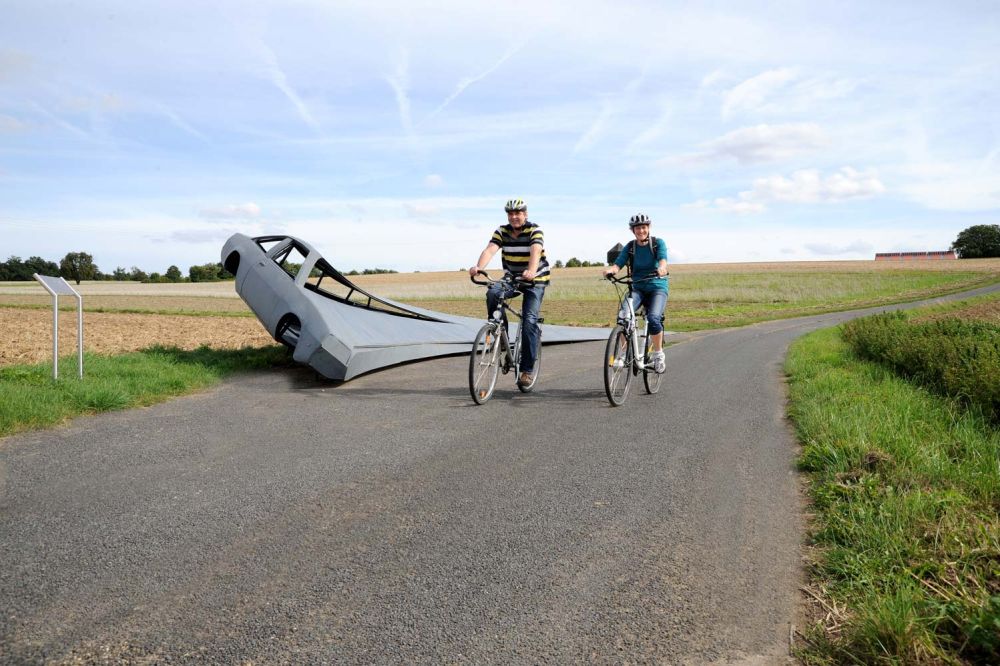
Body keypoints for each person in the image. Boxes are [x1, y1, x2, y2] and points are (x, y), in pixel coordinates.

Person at [468, 198, 550, 386]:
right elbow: (490, 250)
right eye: (510, 214)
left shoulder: (534, 230)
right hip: (512, 277)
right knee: (492, 293)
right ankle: (500, 335)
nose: (514, 217)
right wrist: (479, 267)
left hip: (535, 279)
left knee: (529, 321)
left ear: (525, 214)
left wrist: (531, 271)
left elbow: (536, 251)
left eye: (518, 213)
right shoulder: (502, 231)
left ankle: (527, 371)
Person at [603, 213, 668, 373]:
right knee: (623, 317)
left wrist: (662, 268)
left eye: (644, 227)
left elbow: (662, 259)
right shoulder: (630, 247)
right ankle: (624, 354)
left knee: (653, 318)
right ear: (633, 230)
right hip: (637, 288)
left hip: (657, 287)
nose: (641, 231)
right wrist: (612, 270)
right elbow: (619, 263)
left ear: (648, 227)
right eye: (637, 228)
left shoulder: (657, 243)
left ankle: (658, 355)